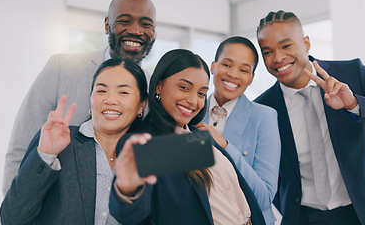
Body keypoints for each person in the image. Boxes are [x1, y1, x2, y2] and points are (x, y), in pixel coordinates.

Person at [254, 10, 365, 225]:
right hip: (302, 218)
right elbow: (267, 178)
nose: (278, 58)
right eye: (267, 51)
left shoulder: (352, 73)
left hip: (362, 215)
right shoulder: (263, 108)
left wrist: (354, 104)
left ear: (306, 43)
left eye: (286, 46)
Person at [2, 0, 156, 195]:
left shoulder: (152, 88)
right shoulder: (61, 68)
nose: (136, 31)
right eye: (125, 21)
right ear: (107, 25)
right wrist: (15, 211)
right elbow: (20, 148)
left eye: (146, 24)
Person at [109, 49, 266, 225]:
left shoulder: (199, 135)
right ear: (159, 86)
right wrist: (127, 191)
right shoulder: (146, 142)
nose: (193, 101)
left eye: (201, 93)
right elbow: (134, 215)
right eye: (184, 88)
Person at [0, 58, 148, 224]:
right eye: (101, 91)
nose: (110, 100)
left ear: (142, 105)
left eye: (123, 92)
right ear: (91, 99)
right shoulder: (61, 141)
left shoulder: (147, 157)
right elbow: (12, 219)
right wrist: (46, 155)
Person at [195, 36, 281, 224]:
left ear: (251, 78)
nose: (233, 74)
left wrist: (225, 145)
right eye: (227, 65)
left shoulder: (264, 117)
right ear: (213, 66)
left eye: (244, 70)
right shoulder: (191, 112)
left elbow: (265, 196)